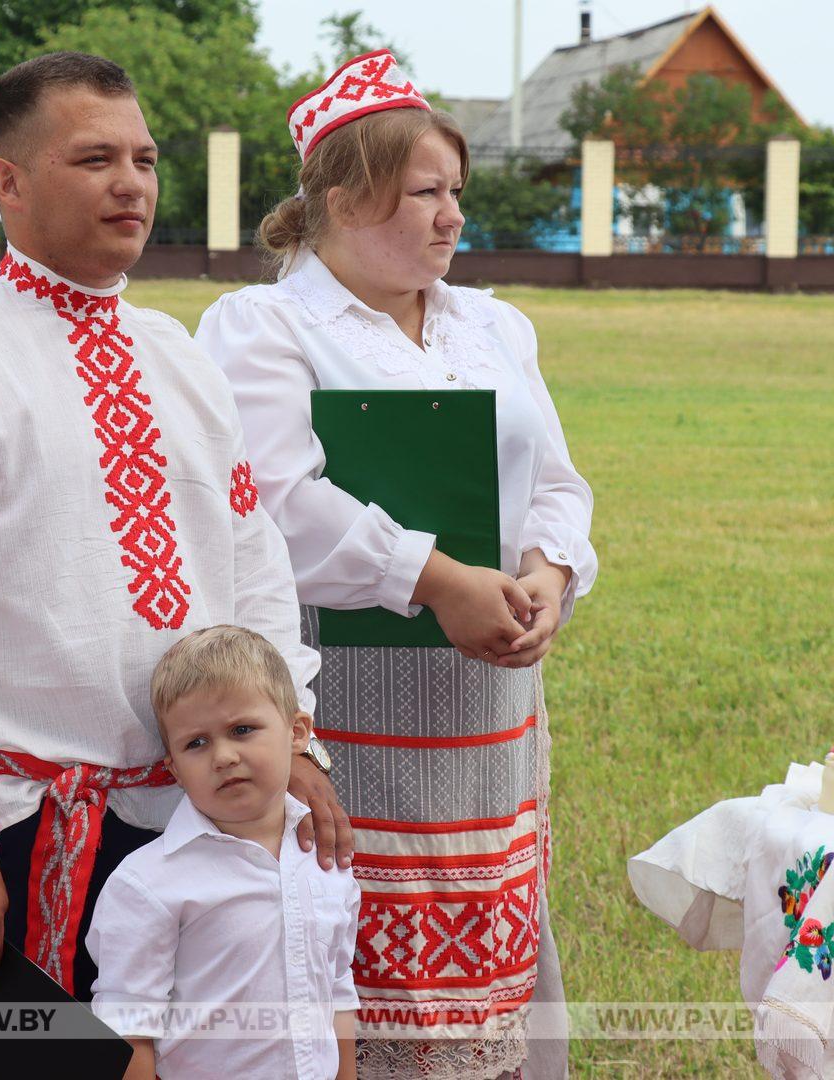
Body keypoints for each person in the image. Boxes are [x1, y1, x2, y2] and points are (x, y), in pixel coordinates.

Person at [0, 51, 351, 1001]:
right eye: (95, 159)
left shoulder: (177, 355)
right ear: (9, 183)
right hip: (26, 824)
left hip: (203, 809)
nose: (132, 184)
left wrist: (300, 740)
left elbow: (250, 568)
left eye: (146, 159)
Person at [194, 49, 598, 1080]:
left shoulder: (495, 326)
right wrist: (438, 580)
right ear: (345, 194)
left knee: (489, 921)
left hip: (491, 701)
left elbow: (555, 480)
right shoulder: (265, 328)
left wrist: (547, 574)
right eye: (426, 192)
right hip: (352, 695)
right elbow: (280, 500)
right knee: (360, 920)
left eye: (457, 192)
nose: (452, 215)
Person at [87, 625, 359, 1080]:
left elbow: (336, 989)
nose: (224, 756)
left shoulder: (326, 863)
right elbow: (128, 1025)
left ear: (297, 732)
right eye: (197, 742)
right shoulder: (148, 884)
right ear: (173, 768)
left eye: (242, 729)